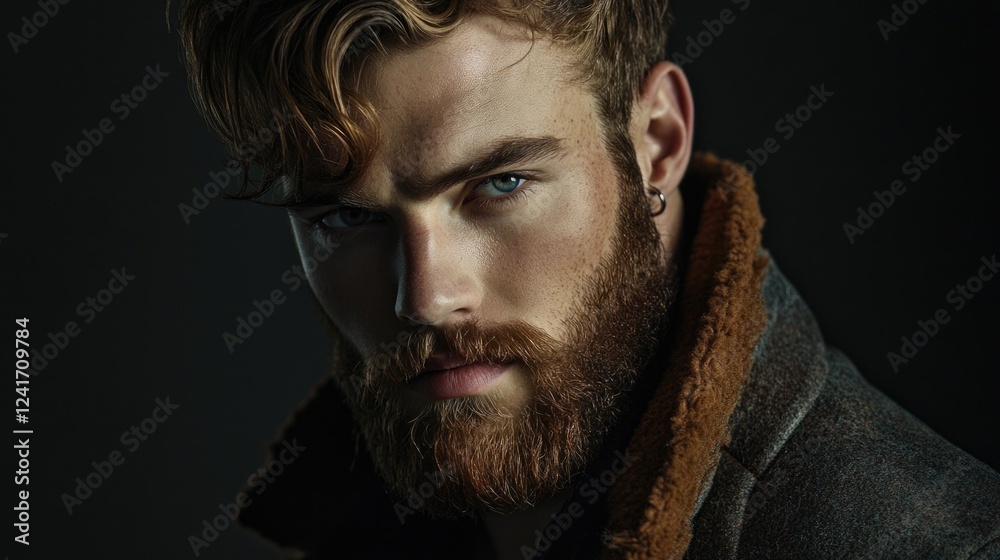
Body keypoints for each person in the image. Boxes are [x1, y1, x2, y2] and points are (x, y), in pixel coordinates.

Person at [176, 1, 1000, 558]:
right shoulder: (367, 519)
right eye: (345, 218)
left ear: (657, 142)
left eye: (500, 185)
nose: (425, 299)